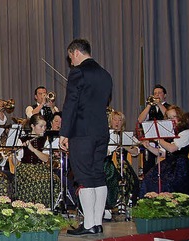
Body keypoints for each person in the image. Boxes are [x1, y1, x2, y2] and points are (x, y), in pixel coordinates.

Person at [59, 39, 112, 235]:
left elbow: (71, 103)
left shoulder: (78, 72)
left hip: (82, 133)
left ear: (76, 53)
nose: (70, 61)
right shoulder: (106, 75)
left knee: (84, 177)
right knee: (98, 175)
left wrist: (64, 132)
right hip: (101, 132)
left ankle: (89, 224)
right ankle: (97, 223)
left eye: (70, 56)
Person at [140, 106, 189, 197]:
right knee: (149, 178)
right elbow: (162, 153)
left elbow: (172, 148)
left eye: (174, 117)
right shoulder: (168, 134)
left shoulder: (186, 132)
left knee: (168, 183)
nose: (171, 120)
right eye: (168, 118)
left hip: (181, 165)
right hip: (168, 163)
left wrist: (158, 139)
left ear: (180, 118)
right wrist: (148, 146)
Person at [14, 114, 60, 207]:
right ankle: (32, 208)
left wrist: (33, 149)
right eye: (41, 126)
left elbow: (46, 158)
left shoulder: (45, 139)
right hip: (25, 168)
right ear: (32, 126)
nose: (44, 129)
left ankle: (50, 207)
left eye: (45, 126)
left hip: (40, 168)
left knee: (54, 179)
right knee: (36, 181)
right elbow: (16, 163)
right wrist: (14, 153)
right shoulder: (22, 139)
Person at [102, 111, 139, 220]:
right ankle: (109, 205)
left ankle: (124, 204)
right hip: (109, 162)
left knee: (130, 178)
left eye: (120, 120)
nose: (117, 122)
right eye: (115, 119)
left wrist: (124, 145)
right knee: (110, 176)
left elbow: (136, 152)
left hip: (122, 163)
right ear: (110, 121)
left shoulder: (126, 135)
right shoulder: (106, 133)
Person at [137, 84, 170, 174]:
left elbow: (168, 116)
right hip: (151, 139)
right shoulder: (150, 108)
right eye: (155, 93)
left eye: (159, 93)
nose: (157, 95)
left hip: (165, 139)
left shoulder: (168, 107)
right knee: (148, 164)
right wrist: (148, 105)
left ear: (165, 95)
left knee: (163, 164)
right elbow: (140, 120)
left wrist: (159, 104)